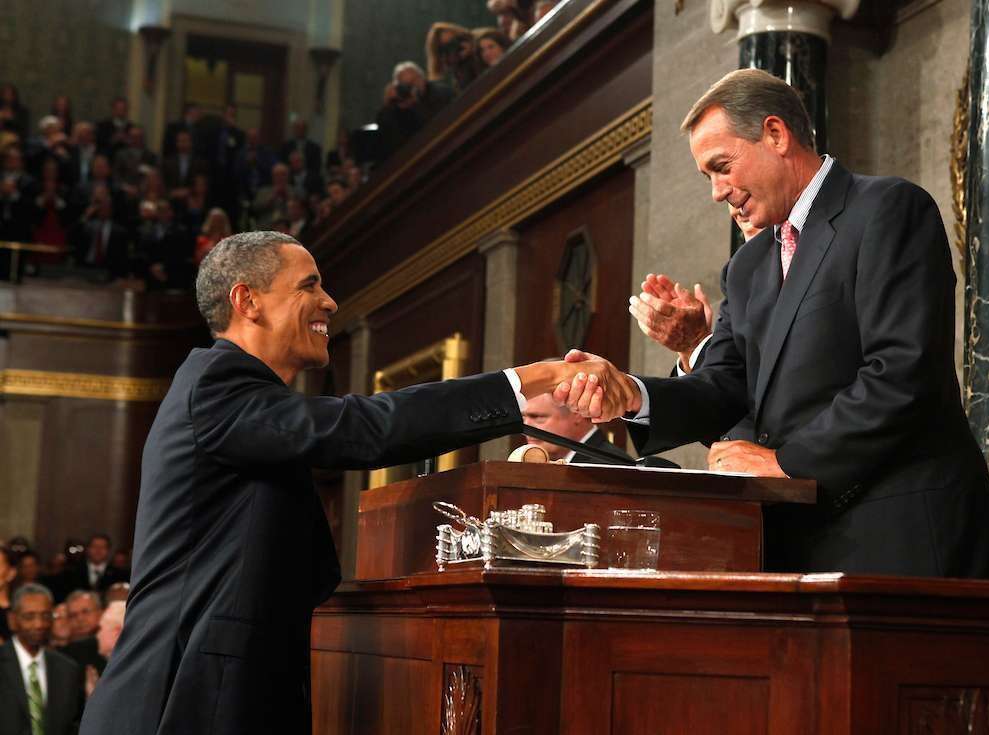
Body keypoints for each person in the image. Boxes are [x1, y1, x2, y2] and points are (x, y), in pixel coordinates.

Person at [79, 230, 628, 734]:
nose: (330, 302)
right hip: (179, 702)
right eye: (309, 285)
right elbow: (368, 429)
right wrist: (532, 380)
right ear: (247, 301)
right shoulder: (217, 385)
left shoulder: (241, 398)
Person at [556, 68, 989, 580]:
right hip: (797, 546)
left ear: (775, 134)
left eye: (721, 167)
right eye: (707, 178)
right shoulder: (748, 267)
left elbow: (902, 373)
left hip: (903, 539)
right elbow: (723, 387)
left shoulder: (887, 210)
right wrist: (633, 396)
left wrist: (787, 463)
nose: (717, 193)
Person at [0, 584, 85, 735]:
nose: (39, 624)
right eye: (29, 617)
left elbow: (73, 726)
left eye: (45, 616)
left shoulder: (67, 669)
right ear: (12, 619)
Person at [522, 392, 632, 464]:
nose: (525, 426)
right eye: (523, 417)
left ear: (577, 413)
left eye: (537, 417)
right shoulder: (539, 465)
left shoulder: (609, 468)